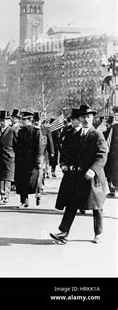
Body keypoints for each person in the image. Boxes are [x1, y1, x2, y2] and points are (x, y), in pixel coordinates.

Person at [51, 104, 109, 244]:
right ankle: (64, 232)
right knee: (72, 203)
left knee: (96, 205)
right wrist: (64, 163)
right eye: (83, 117)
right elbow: (67, 153)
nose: (85, 120)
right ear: (80, 118)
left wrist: (93, 170)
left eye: (88, 117)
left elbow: (102, 155)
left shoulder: (97, 135)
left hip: (92, 177)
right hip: (76, 176)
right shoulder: (75, 135)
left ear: (92, 118)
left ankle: (98, 233)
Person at [14, 111, 41, 208]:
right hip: (22, 160)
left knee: (32, 181)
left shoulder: (36, 131)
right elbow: (18, 146)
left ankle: (38, 193)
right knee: (22, 181)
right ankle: (24, 201)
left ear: (30, 120)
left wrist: (38, 161)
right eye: (21, 119)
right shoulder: (21, 131)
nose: (22, 121)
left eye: (24, 119)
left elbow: (39, 148)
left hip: (32, 160)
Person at [0, 110, 17, 204]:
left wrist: (15, 155)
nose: (3, 122)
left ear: (9, 121)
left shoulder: (12, 131)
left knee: (8, 177)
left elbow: (16, 145)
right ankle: (2, 195)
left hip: (9, 157)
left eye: (5, 120)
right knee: (0, 177)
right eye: (1, 120)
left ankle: (6, 196)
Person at [103, 115, 117, 197]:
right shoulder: (114, 127)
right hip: (114, 155)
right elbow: (108, 142)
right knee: (113, 172)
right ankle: (112, 189)